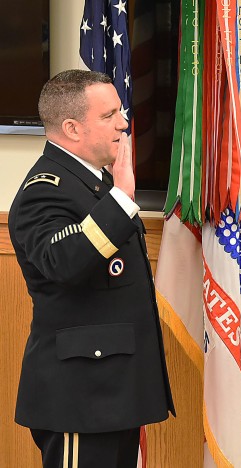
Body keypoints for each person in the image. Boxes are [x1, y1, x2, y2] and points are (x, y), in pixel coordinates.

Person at [8, 70, 175, 468]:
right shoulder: (44, 190)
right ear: (72, 128)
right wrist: (121, 200)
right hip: (81, 398)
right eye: (109, 115)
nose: (123, 122)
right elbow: (62, 263)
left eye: (120, 111)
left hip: (113, 391)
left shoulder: (92, 183)